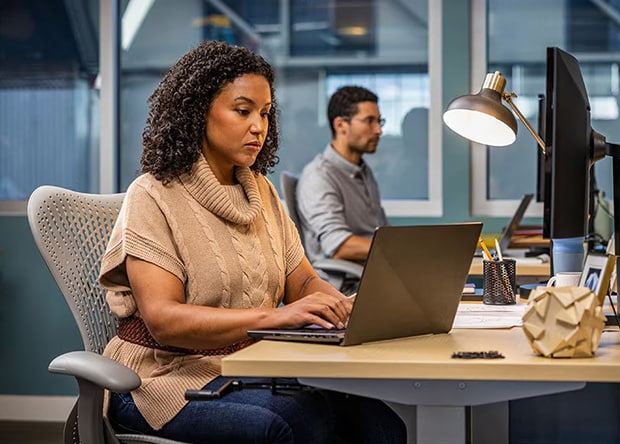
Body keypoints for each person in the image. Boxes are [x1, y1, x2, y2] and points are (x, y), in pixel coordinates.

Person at [98, 41, 406, 444]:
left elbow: (304, 282)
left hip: (246, 366)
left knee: (379, 420)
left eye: (264, 113)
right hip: (159, 380)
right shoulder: (153, 194)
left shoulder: (260, 192)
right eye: (243, 111)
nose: (258, 126)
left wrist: (339, 306)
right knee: (294, 424)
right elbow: (164, 319)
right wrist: (275, 318)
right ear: (197, 111)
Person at [296, 86, 388, 265]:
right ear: (340, 125)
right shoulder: (319, 177)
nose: (378, 130)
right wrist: (399, 249)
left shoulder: (364, 172)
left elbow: (384, 233)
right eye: (369, 121)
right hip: (347, 283)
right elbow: (339, 245)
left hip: (378, 270)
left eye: (379, 121)